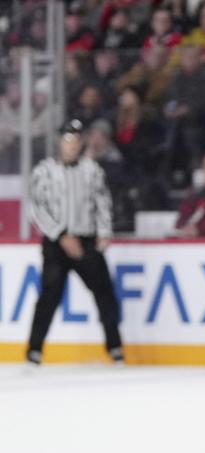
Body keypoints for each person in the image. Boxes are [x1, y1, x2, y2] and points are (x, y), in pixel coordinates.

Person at [26, 120, 122, 368]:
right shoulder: (44, 171)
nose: (72, 146)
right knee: (49, 296)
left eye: (76, 141)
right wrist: (60, 234)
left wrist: (104, 232)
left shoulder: (92, 170)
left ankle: (115, 347)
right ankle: (34, 350)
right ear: (60, 142)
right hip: (57, 243)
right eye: (68, 141)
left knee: (105, 294)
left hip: (86, 241)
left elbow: (102, 202)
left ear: (81, 143)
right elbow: (36, 208)